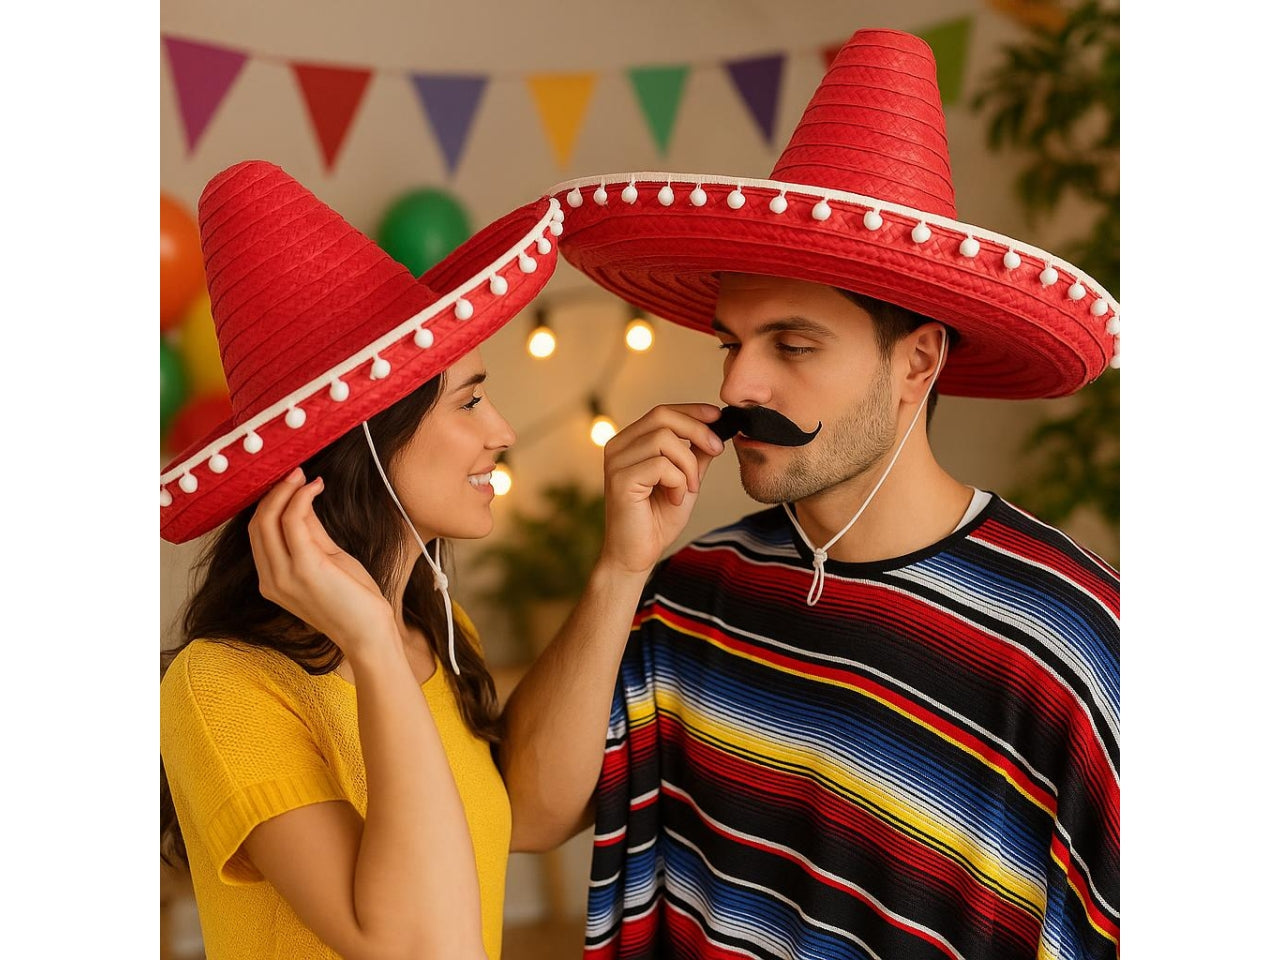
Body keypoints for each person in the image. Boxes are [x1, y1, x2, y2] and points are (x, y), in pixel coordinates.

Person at [499, 29, 1119, 960]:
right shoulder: (693, 590)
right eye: (730, 341)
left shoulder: (1070, 638)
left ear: (917, 362)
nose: (741, 384)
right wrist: (619, 568)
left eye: (792, 345)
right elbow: (528, 813)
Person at [158, 159, 563, 960]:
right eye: (471, 400)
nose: (503, 431)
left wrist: (624, 562)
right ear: (368, 441)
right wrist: (371, 642)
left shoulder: (441, 633)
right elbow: (423, 946)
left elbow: (533, 822)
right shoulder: (219, 686)